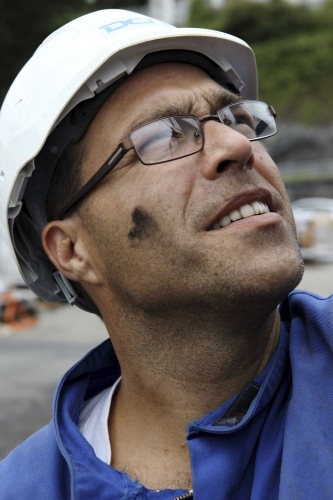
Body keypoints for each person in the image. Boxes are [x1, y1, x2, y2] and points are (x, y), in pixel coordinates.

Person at [0, 8, 332, 500]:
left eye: (236, 117)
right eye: (162, 135)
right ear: (72, 250)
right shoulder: (29, 488)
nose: (235, 146)